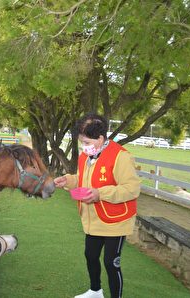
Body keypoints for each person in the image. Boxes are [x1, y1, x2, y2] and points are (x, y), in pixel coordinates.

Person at [54, 113, 140, 298]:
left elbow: (132, 189)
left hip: (115, 220)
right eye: (81, 142)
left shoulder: (121, 157)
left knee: (111, 263)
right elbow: (82, 179)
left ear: (100, 138)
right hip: (93, 219)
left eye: (86, 142)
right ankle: (95, 291)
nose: (83, 146)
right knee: (90, 256)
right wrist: (68, 180)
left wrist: (100, 193)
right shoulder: (86, 156)